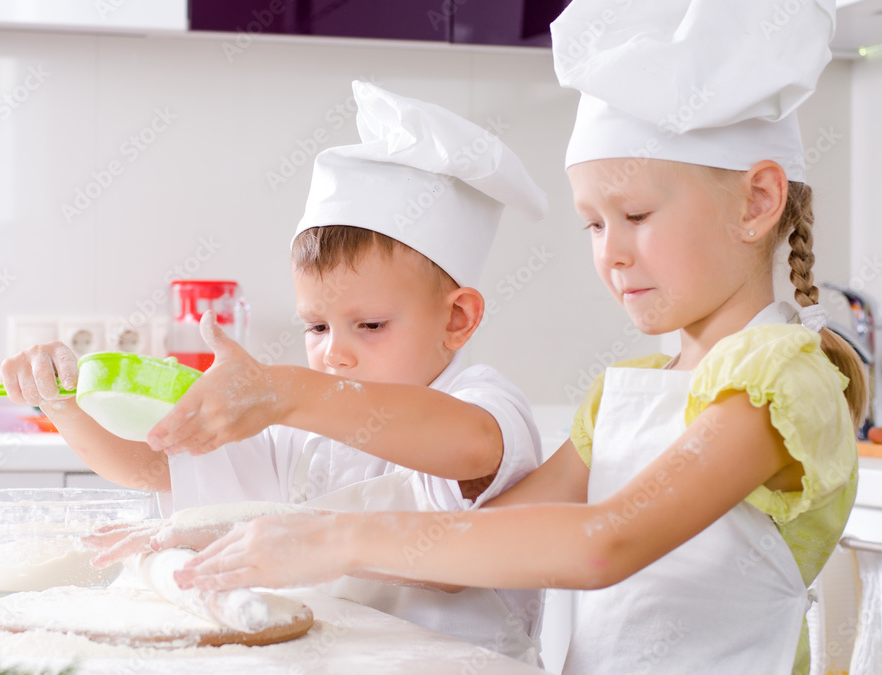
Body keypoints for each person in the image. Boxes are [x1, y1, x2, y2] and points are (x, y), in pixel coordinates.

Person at [151, 2, 868, 674]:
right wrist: (264, 535)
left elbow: (602, 543)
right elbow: (475, 540)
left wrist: (333, 537)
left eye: (637, 213)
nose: (610, 252)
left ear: (758, 201)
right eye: (593, 223)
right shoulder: (627, 391)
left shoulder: (786, 382)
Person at [0, 80, 550, 663]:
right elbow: (154, 464)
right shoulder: (305, 432)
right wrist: (62, 405)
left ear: (457, 318)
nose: (334, 354)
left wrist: (291, 391)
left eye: (369, 326)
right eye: (316, 327)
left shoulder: (481, 402)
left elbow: (470, 447)